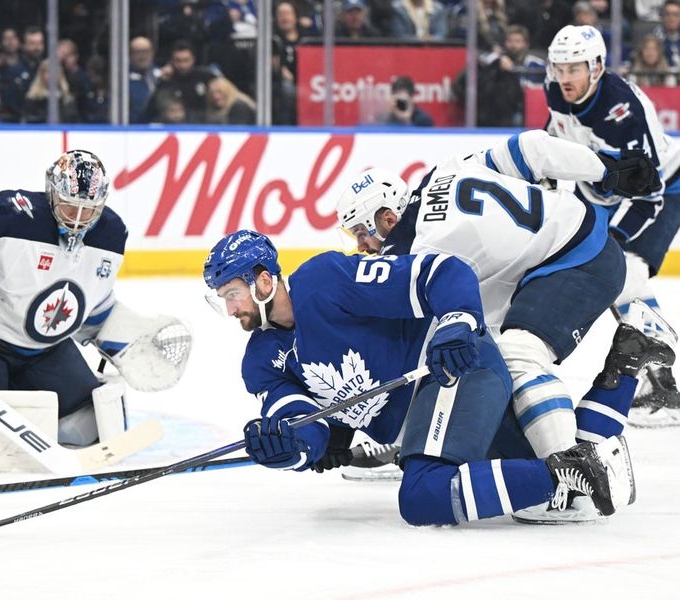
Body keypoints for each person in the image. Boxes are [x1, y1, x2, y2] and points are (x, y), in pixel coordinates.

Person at [335, 131, 672, 520]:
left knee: (518, 356)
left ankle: (569, 480)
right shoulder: (442, 173)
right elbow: (531, 148)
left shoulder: (423, 251)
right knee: (492, 361)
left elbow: (414, 343)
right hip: (565, 245)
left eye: (362, 233)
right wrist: (605, 169)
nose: (362, 246)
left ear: (388, 219)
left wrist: (380, 421)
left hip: (577, 261)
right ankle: (628, 358)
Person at [202, 230, 639, 526]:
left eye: (233, 294)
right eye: (222, 299)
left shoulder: (323, 283)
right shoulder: (260, 360)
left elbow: (443, 272)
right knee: (554, 470)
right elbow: (307, 428)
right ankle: (627, 368)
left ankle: (562, 476)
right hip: (430, 419)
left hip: (451, 370)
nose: (230, 308)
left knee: (422, 495)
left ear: (263, 281)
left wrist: (456, 321)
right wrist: (285, 446)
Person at [0, 150, 189, 447]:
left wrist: (123, 338)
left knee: (89, 424)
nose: (76, 219)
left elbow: (91, 304)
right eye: (69, 206)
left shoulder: (111, 236)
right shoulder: (12, 217)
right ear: (51, 192)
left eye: (87, 210)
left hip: (47, 350)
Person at [545, 24, 680, 425]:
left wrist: (611, 239)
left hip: (662, 191)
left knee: (623, 274)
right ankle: (658, 377)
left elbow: (649, 191)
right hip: (601, 191)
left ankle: (666, 383)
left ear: (598, 66)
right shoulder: (555, 88)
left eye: (575, 68)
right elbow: (556, 133)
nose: (565, 78)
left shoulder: (624, 113)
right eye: (559, 68)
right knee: (608, 279)